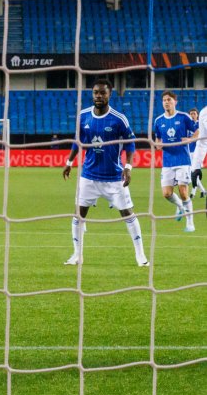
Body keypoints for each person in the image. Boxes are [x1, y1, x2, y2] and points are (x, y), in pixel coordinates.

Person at [61, 79, 148, 267]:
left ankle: (140, 256)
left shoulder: (119, 119)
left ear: (110, 94)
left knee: (128, 214)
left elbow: (130, 144)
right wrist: (69, 161)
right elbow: (78, 142)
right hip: (89, 176)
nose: (98, 96)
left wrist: (128, 167)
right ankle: (77, 255)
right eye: (95, 93)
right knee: (78, 215)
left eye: (102, 93)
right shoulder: (83, 116)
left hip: (114, 178)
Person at [151, 90, 197, 233]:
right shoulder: (158, 120)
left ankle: (190, 222)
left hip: (183, 160)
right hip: (168, 161)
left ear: (175, 102)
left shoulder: (183, 117)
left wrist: (190, 140)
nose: (166, 102)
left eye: (169, 100)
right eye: (164, 100)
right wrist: (157, 144)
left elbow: (198, 130)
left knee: (183, 192)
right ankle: (180, 207)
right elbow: (158, 139)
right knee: (166, 193)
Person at [189, 105, 207, 199]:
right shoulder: (188, 125)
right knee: (192, 172)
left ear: (197, 115)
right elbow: (203, 142)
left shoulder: (199, 124)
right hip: (190, 152)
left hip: (194, 152)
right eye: (191, 114)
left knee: (191, 173)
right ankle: (201, 191)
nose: (192, 115)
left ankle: (195, 192)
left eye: (194, 113)